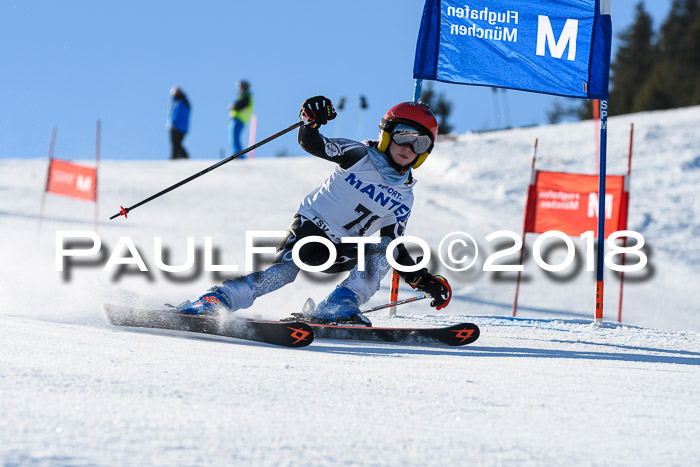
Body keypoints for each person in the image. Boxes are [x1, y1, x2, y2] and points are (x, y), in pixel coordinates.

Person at [176, 96, 451, 326]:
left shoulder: (405, 195)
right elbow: (313, 143)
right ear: (387, 133)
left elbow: (395, 247)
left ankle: (339, 305)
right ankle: (218, 299)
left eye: (421, 143)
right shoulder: (358, 155)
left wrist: (423, 280)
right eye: (404, 135)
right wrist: (311, 121)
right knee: (284, 272)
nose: (408, 148)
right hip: (312, 231)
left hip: (342, 250)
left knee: (382, 250)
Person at [228, 80, 254, 157]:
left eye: (240, 86)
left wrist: (233, 106)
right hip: (238, 119)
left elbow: (239, 106)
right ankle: (237, 154)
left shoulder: (246, 96)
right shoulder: (244, 96)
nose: (239, 89)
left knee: (234, 138)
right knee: (233, 138)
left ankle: (239, 155)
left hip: (239, 119)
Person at [168, 87, 190, 159]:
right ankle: (178, 156)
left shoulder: (181, 102)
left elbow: (177, 115)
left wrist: (173, 124)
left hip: (178, 127)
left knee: (176, 143)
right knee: (176, 143)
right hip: (180, 126)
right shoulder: (175, 102)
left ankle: (176, 156)